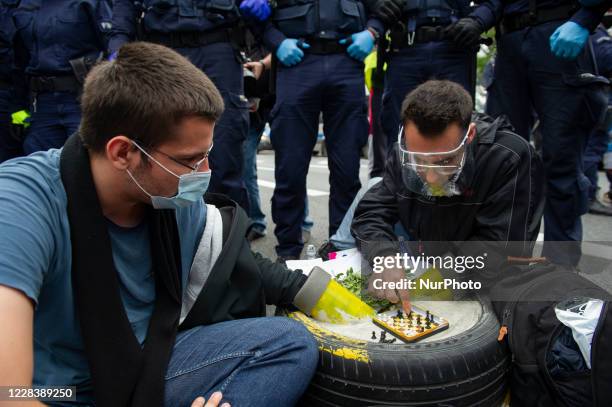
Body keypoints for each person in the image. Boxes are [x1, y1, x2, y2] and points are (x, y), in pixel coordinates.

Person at [0, 42, 318, 407]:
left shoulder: (168, 200)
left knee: (289, 343)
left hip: (147, 364)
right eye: (191, 160)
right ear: (123, 153)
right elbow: (8, 395)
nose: (206, 173)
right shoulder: (21, 202)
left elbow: (235, 258)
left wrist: (335, 299)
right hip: (57, 392)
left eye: (207, 155)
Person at [319, 80, 545, 308]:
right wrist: (385, 258)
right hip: (419, 242)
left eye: (445, 161)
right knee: (374, 186)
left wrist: (430, 283)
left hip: (466, 259)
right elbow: (374, 211)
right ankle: (332, 258)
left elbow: (500, 250)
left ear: (470, 136)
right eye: (419, 160)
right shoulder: (403, 151)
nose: (431, 178)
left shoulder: (509, 157)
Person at [480, 0, 611, 266]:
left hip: (561, 30)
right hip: (508, 43)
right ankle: (504, 264)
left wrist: (586, 17)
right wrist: (477, 19)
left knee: (561, 162)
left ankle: (559, 269)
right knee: (500, 160)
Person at [261, 0, 384, 262]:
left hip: (347, 61)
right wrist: (275, 41)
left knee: (347, 172)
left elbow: (384, 7)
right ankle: (288, 255)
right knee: (290, 171)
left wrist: (372, 31)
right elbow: (252, 13)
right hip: (296, 61)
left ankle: (341, 255)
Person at [110, 0, 255, 212]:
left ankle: (229, 238)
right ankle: (163, 238)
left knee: (225, 153)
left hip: (218, 48)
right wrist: (118, 47)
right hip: (161, 53)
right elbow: (125, 9)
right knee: (158, 153)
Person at [375, 0, 488, 150]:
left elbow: (492, 4)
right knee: (398, 128)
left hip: (455, 47)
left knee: (458, 124)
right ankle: (398, 172)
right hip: (404, 48)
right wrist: (377, 4)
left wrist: (478, 21)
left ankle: (458, 172)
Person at [11, 0, 112, 155]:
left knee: (86, 162)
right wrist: (19, 109)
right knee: (40, 167)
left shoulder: (91, 3)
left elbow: (110, 48)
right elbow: (19, 63)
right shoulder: (25, 5)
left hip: (81, 99)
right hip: (41, 104)